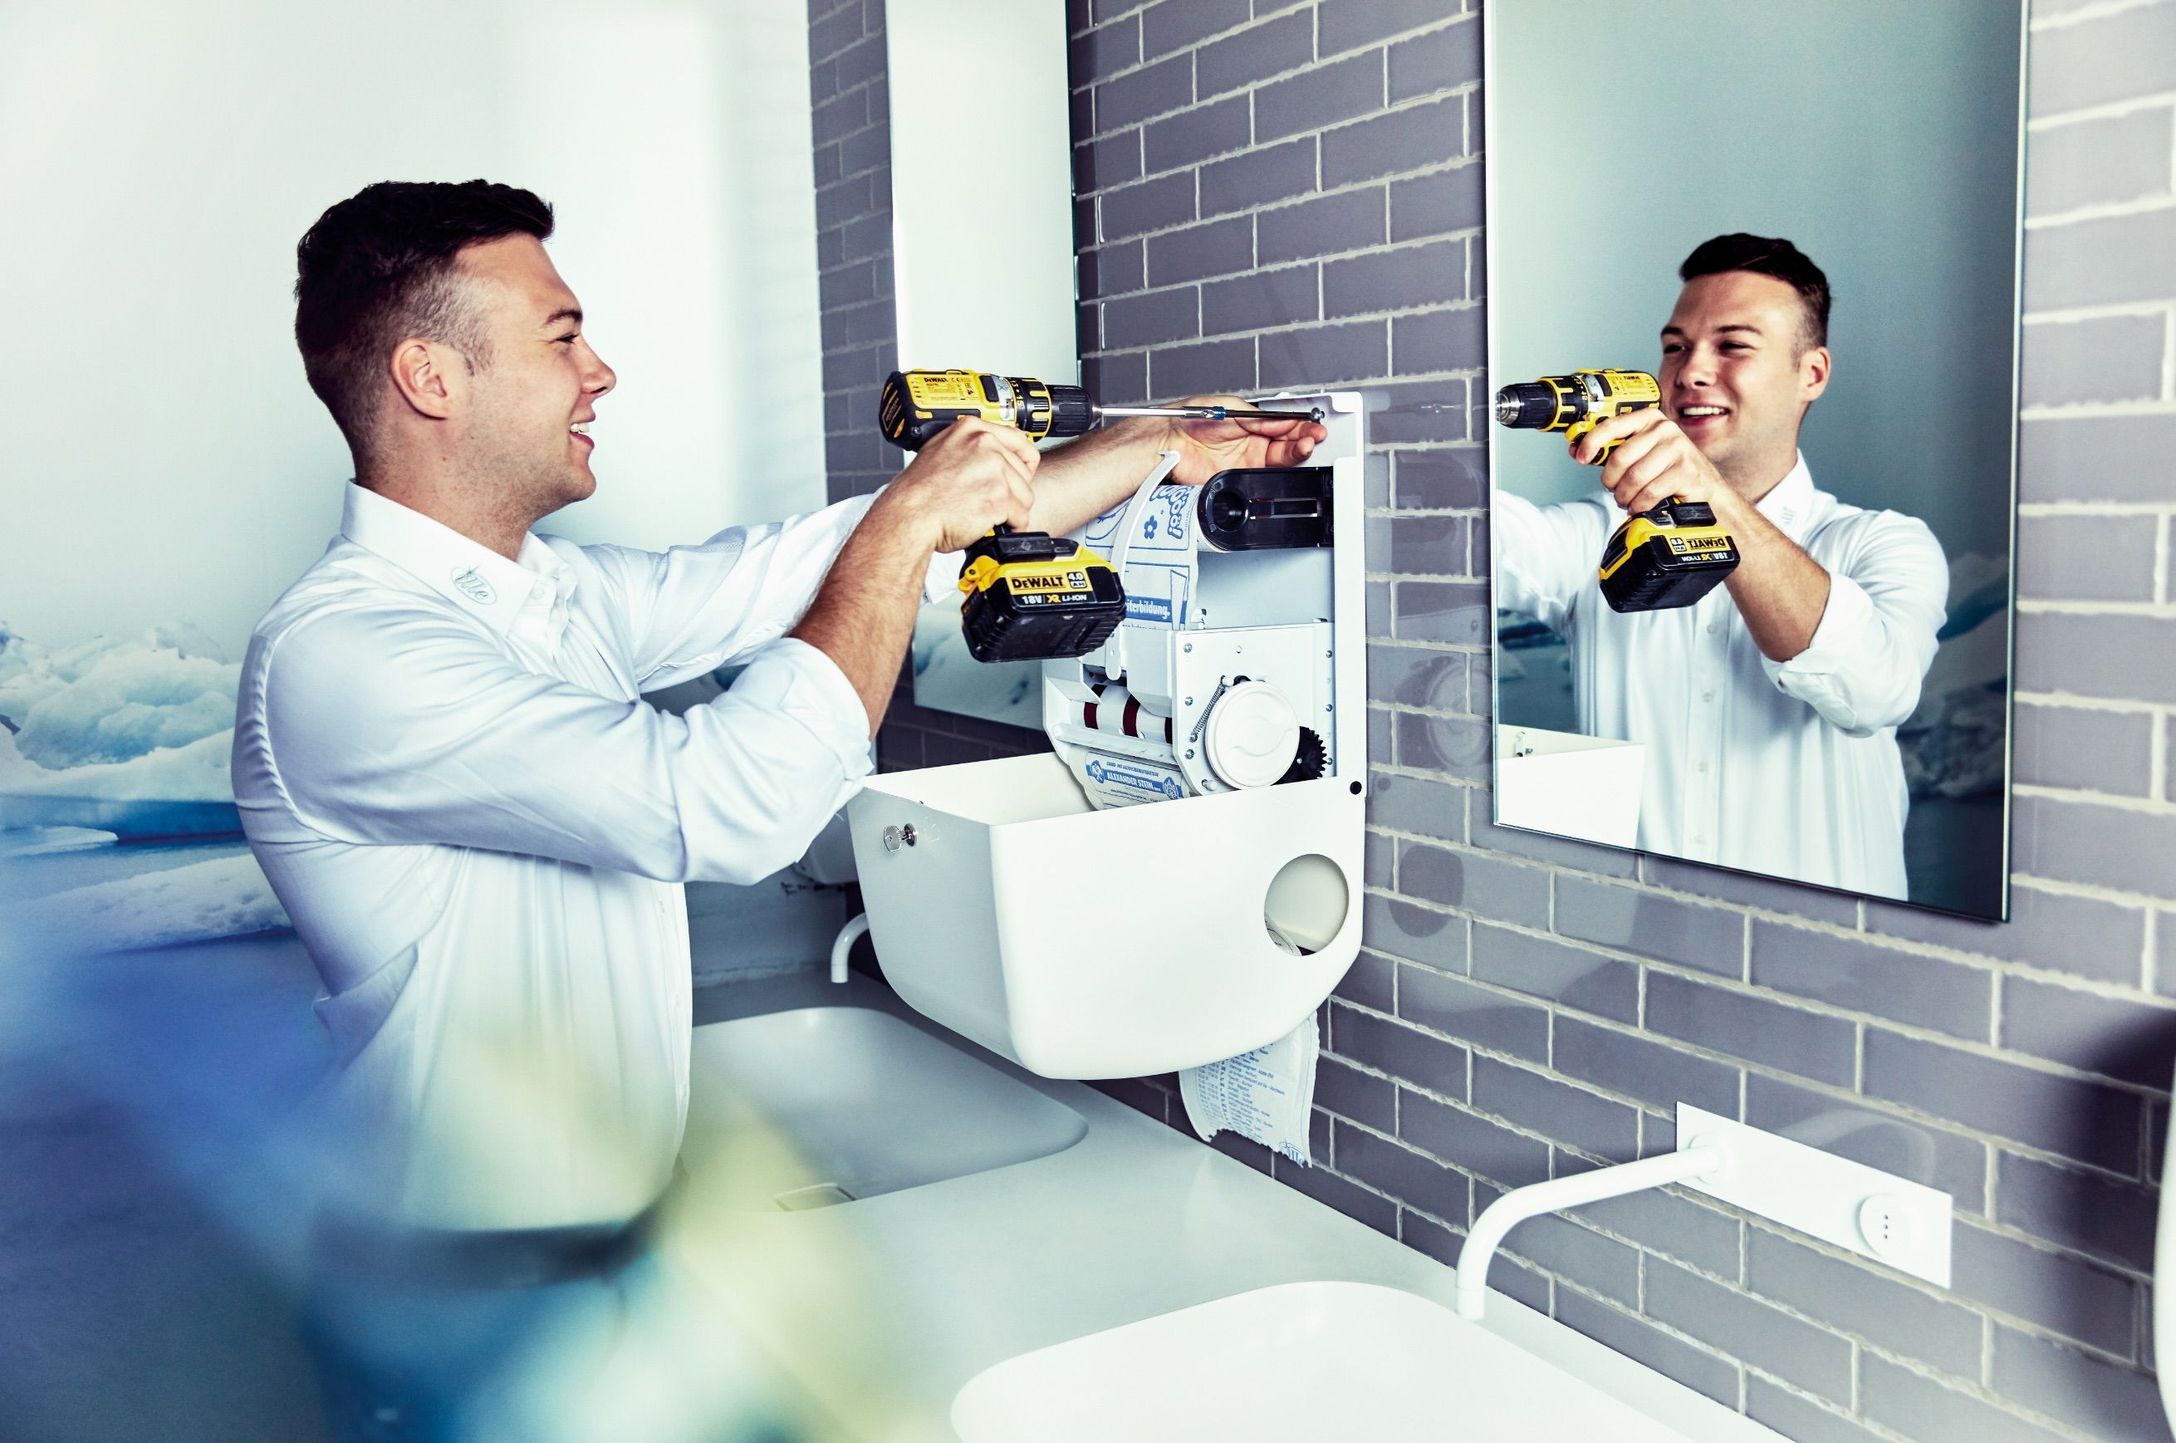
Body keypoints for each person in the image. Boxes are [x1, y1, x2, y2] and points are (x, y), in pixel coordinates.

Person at [230, 179, 1324, 1437]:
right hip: (462, 1302)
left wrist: (1154, 448)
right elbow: (727, 804)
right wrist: (908, 523)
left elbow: (799, 568)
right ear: (430, 378)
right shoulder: (345, 657)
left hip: (586, 1273)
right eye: (561, 335)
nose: (600, 372)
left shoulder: (553, 601)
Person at [1493, 234, 1946, 899]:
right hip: (1637, 947)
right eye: (1675, 347)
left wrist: (1711, 497)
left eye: (1733, 345)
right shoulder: (1597, 538)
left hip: (1831, 955)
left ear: (1812, 374)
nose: (1690, 372)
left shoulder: (1884, 544)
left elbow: (1874, 692)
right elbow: (1466, 537)